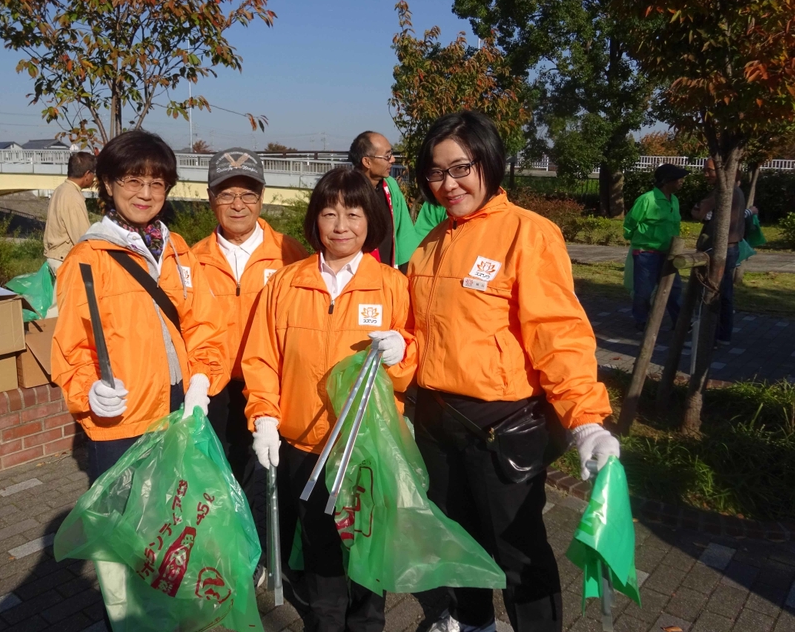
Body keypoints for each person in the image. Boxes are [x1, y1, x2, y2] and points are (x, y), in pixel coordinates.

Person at [407, 111, 619, 632]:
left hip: (504, 428)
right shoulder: (430, 246)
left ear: (489, 162)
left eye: (460, 168)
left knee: (519, 553)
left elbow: (558, 331)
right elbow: (422, 334)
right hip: (439, 422)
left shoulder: (528, 233)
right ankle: (475, 623)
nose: (448, 184)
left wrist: (584, 418)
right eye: (436, 173)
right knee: (458, 539)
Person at [242, 167, 417, 632]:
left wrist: (403, 352)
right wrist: (263, 417)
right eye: (330, 213)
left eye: (354, 213)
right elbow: (261, 357)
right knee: (321, 562)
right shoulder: (286, 283)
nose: (341, 225)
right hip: (305, 449)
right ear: (315, 220)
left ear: (372, 220)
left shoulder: (392, 285)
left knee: (366, 561)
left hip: (366, 453)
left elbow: (413, 360)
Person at [52, 130, 229, 483]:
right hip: (122, 415)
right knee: (125, 525)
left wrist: (201, 380)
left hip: (180, 408)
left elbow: (204, 323)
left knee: (177, 518)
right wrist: (88, 390)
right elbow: (72, 346)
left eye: (157, 183)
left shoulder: (177, 250)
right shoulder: (88, 259)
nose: (145, 194)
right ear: (107, 183)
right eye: (133, 180)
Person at [191, 147, 307, 583]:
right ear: (210, 199)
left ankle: (265, 552)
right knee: (220, 474)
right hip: (216, 387)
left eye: (248, 193)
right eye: (226, 194)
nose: (238, 204)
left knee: (269, 475)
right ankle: (228, 548)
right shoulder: (193, 258)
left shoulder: (288, 251)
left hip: (273, 384)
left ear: (262, 197)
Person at [691, 158, 757, 346]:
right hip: (731, 247)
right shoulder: (738, 191)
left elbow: (698, 212)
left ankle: (711, 336)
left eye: (710, 170)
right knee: (724, 292)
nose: (706, 174)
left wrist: (701, 209)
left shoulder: (723, 192)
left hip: (720, 249)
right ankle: (722, 334)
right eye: (705, 170)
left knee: (713, 292)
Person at [623, 163, 689, 332]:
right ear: (666, 181)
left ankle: (680, 322)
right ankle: (642, 320)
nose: (681, 181)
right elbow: (630, 222)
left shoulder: (674, 200)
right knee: (643, 291)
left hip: (669, 253)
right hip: (647, 253)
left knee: (674, 289)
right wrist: (636, 239)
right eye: (678, 179)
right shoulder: (647, 199)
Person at [349, 131, 419, 269]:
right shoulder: (348, 191)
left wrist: (405, 271)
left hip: (388, 274)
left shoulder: (390, 186)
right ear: (367, 161)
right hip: (357, 273)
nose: (392, 159)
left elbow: (404, 231)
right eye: (387, 156)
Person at [44, 151, 97, 317]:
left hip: (55, 255)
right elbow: (81, 236)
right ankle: (51, 341)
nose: (94, 178)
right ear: (87, 174)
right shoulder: (73, 196)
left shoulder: (61, 189)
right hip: (64, 258)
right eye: (93, 174)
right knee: (65, 311)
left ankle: (46, 339)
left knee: (57, 307)